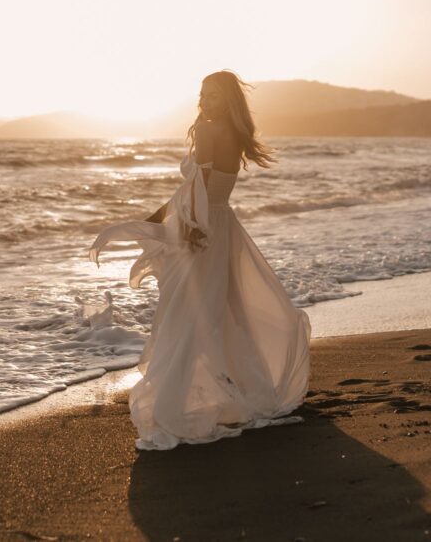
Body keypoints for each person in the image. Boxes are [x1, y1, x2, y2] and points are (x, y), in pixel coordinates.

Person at [89, 70, 311, 450]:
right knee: (223, 311)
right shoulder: (235, 133)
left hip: (203, 229)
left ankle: (176, 402)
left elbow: (197, 190)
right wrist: (161, 219)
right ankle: (246, 390)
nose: (206, 101)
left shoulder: (208, 130)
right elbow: (206, 191)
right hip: (222, 225)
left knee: (189, 314)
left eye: (214, 95)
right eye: (203, 94)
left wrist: (172, 222)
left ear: (227, 99)